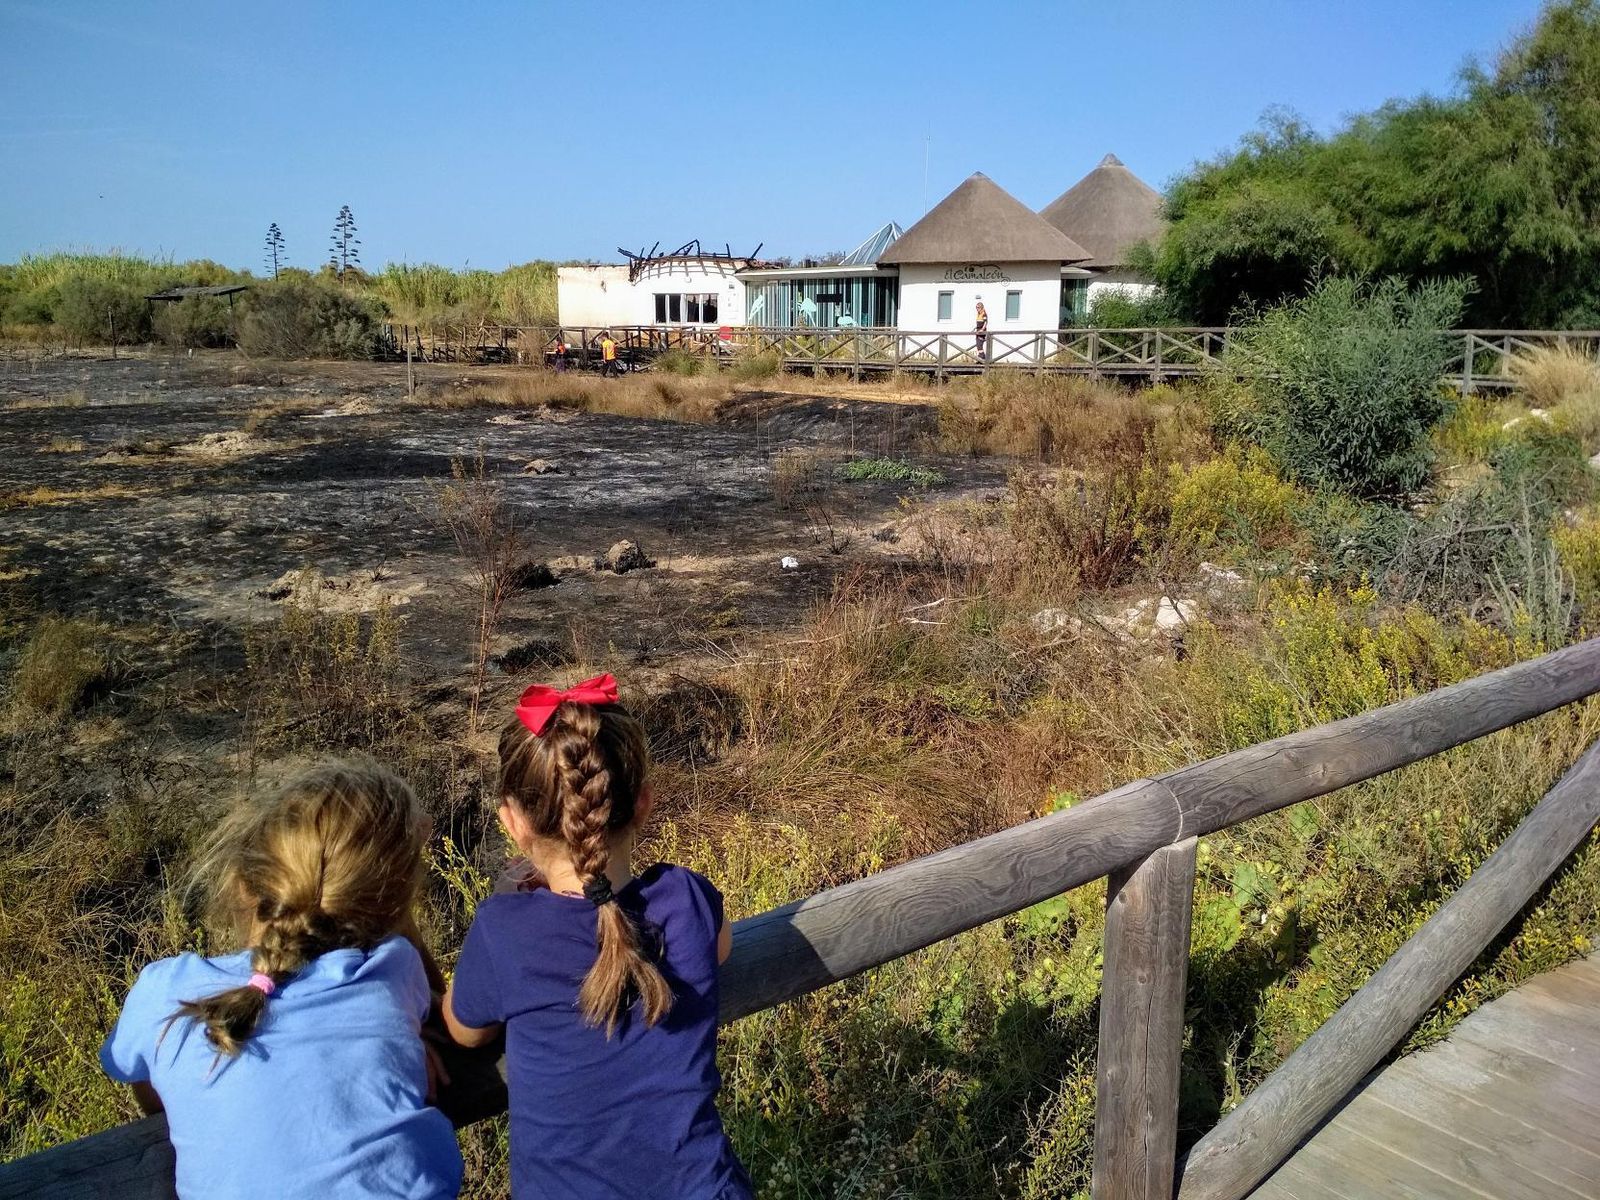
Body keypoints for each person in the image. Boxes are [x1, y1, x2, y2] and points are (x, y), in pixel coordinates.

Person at [443, 674, 752, 1200]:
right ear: (645, 804)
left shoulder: (504, 929)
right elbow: (719, 947)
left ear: (512, 823)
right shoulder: (687, 897)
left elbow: (463, 1030)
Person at [100, 760, 463, 1200]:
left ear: (242, 883)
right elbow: (439, 1004)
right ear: (395, 904)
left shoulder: (163, 992)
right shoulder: (393, 969)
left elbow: (149, 1092)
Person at [975, 297, 989, 363]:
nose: (977, 309)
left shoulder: (984, 314)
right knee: (978, 345)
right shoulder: (979, 314)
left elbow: (985, 322)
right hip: (978, 331)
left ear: (981, 307)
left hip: (981, 332)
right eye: (976, 307)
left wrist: (982, 330)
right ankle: (981, 358)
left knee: (979, 344)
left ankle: (982, 358)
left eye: (978, 307)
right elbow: (979, 322)